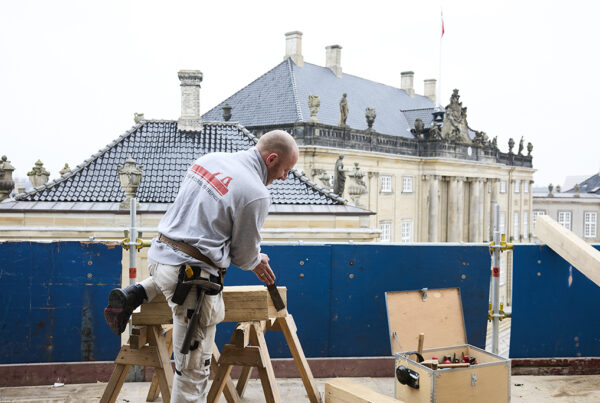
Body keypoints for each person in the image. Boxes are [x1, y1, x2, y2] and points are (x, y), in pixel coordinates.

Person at [104, 130, 299, 402]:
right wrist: (257, 260)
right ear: (272, 159)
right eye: (285, 170)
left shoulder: (209, 159)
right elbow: (243, 256)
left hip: (160, 256)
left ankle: (133, 294)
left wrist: (252, 255)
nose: (284, 177)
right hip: (192, 283)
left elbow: (199, 223)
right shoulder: (256, 193)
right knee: (192, 375)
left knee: (169, 282)